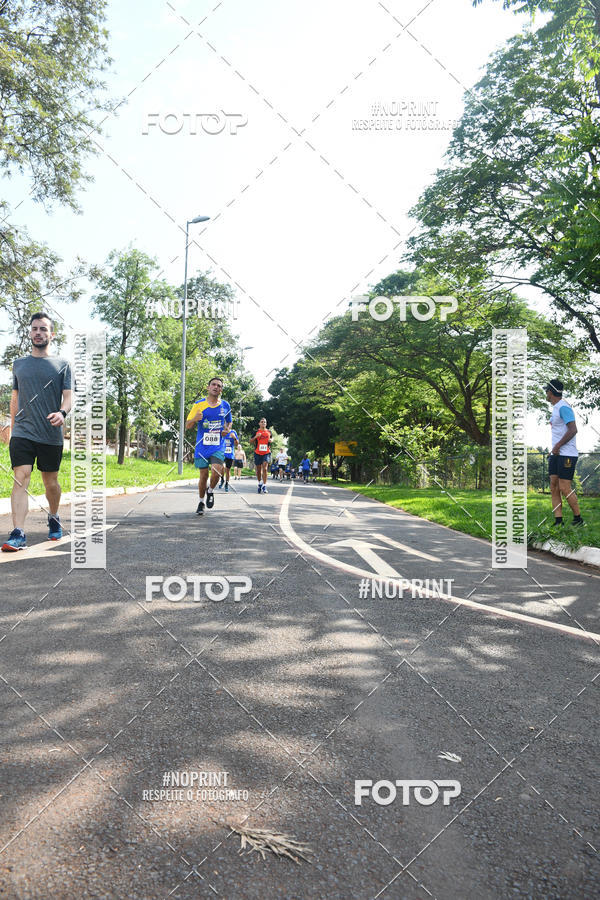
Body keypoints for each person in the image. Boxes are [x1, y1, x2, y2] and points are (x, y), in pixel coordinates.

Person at [2, 312, 72, 552]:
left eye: (43, 329)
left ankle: (54, 516)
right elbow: (15, 398)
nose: (38, 333)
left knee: (50, 482)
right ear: (30, 332)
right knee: (20, 477)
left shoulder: (62, 365)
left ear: (52, 334)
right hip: (23, 432)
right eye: (35, 329)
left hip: (50, 434)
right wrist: (12, 428)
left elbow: (68, 397)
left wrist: (62, 413)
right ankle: (18, 533)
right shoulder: (19, 364)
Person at [185, 377, 232, 515]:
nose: (216, 387)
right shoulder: (198, 404)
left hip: (218, 445)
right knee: (203, 475)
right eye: (213, 384)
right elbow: (187, 425)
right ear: (208, 387)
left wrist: (227, 429)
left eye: (219, 385)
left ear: (221, 390)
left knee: (217, 471)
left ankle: (210, 491)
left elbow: (229, 422)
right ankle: (201, 502)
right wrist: (195, 419)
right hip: (202, 446)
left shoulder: (225, 405)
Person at [545, 378, 583, 526]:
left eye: (547, 391)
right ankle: (558, 521)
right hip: (556, 454)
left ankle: (578, 519)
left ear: (550, 392)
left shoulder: (563, 407)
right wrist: (553, 450)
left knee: (564, 487)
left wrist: (558, 445)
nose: (546, 394)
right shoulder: (556, 408)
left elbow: (573, 430)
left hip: (567, 455)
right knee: (553, 486)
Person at [251, 417, 272, 494]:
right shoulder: (256, 432)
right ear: (259, 423)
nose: (263, 423)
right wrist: (256, 437)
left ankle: (265, 485)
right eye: (262, 422)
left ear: (266, 424)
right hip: (257, 452)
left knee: (265, 468)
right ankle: (260, 483)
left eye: (264, 422)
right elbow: (250, 441)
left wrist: (271, 440)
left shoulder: (269, 432)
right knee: (258, 470)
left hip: (266, 452)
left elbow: (271, 438)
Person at [219, 427, 239, 491]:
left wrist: (234, 438)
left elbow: (237, 444)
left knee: (227, 470)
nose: (227, 425)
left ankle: (226, 483)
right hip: (222, 453)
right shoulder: (221, 431)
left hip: (230, 454)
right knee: (222, 467)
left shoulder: (233, 432)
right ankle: (222, 479)